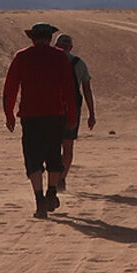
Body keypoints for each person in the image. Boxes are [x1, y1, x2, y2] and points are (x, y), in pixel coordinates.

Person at [2, 22, 82, 218]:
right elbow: (69, 90)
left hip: (30, 116)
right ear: (50, 38)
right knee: (53, 154)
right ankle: (52, 192)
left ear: (32, 38)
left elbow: (10, 87)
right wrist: (72, 116)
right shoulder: (59, 58)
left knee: (33, 158)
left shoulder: (22, 57)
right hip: (55, 115)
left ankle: (39, 201)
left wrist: (9, 113)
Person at [54, 34, 97, 186]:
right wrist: (91, 114)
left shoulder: (50, 61)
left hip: (51, 108)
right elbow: (87, 90)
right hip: (72, 109)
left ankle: (53, 177)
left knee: (52, 144)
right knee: (68, 146)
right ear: (71, 47)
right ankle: (62, 178)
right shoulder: (79, 63)